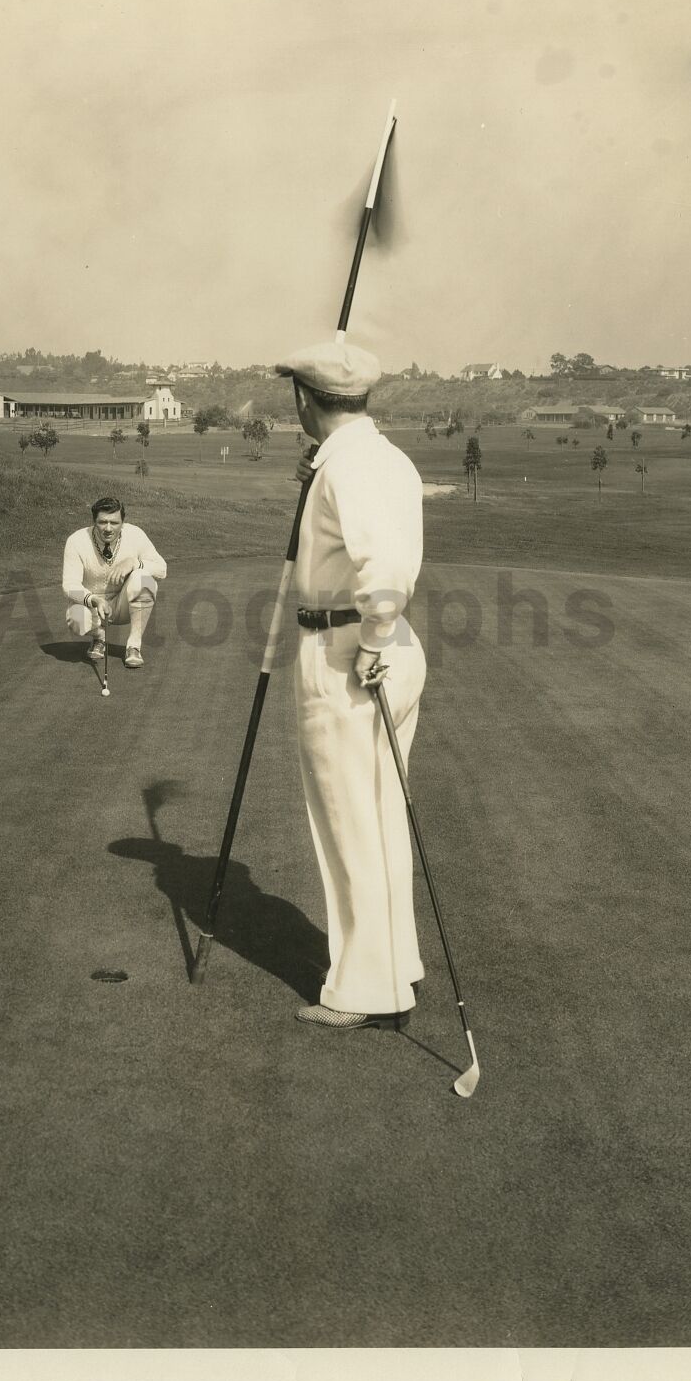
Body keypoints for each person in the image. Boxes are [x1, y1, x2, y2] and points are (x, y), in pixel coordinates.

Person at [275, 341, 428, 1031]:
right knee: (377, 815)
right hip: (378, 646)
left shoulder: (349, 468)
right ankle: (394, 969)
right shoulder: (375, 458)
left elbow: (384, 567)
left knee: (349, 823)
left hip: (349, 651)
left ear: (304, 398)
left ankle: (366, 990)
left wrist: (367, 642)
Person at [63, 496, 167, 669]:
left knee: (144, 578)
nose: (108, 528)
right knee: (76, 618)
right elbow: (69, 584)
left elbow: (162, 569)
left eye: (114, 523)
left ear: (123, 522)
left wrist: (135, 563)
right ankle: (99, 638)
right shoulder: (76, 541)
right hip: (94, 608)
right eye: (103, 522)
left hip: (123, 605)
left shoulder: (136, 534)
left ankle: (134, 646)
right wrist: (95, 600)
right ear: (94, 521)